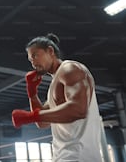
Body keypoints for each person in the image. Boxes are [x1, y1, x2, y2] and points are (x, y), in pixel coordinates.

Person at [12, 33, 102, 162]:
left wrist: (31, 116)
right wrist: (32, 93)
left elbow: (78, 109)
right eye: (31, 60)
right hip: (62, 156)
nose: (33, 63)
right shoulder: (55, 82)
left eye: (35, 56)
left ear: (50, 51)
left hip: (79, 156)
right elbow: (43, 123)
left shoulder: (70, 69)